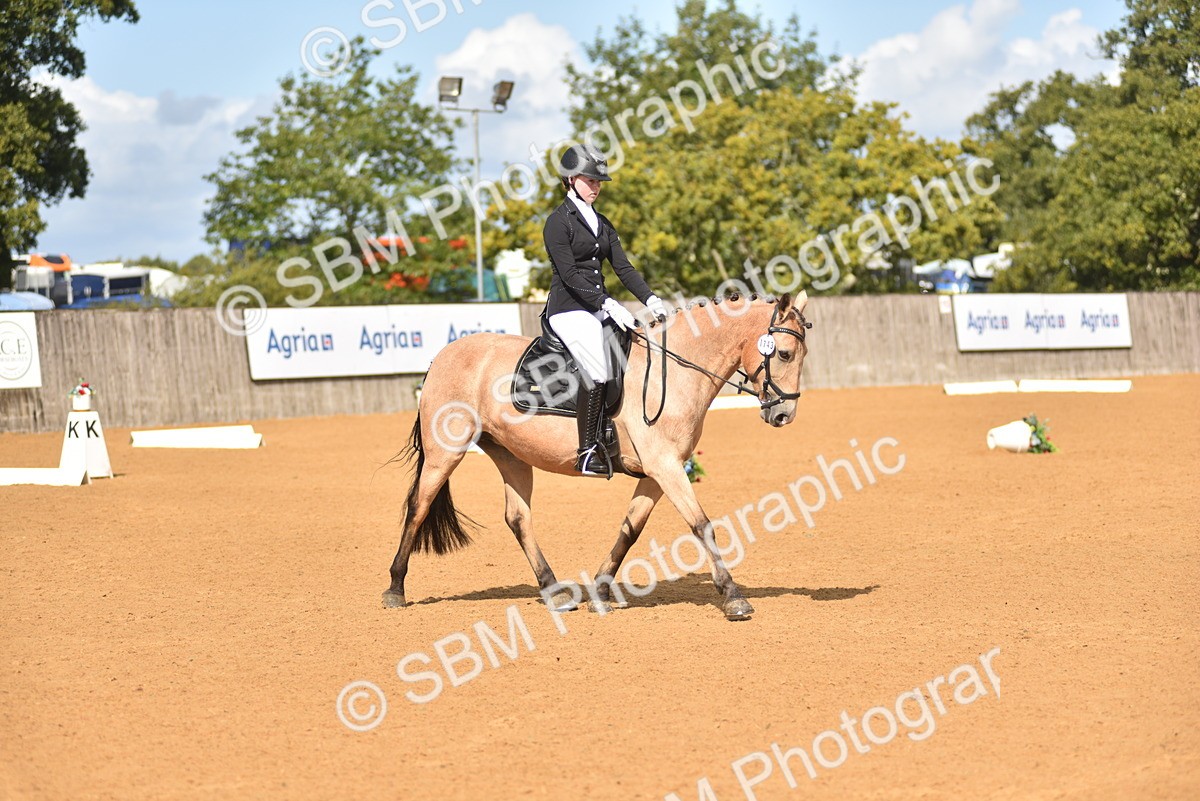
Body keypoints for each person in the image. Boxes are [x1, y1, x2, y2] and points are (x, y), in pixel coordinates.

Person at [543, 143, 666, 477]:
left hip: (597, 307)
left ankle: (619, 433)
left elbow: (623, 269)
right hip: (569, 308)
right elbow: (568, 275)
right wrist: (607, 303)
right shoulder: (558, 223)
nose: (596, 187)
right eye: (590, 180)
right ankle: (586, 451)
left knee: (635, 349)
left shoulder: (602, 222)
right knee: (597, 367)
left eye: (598, 182)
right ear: (570, 179)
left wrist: (650, 299)